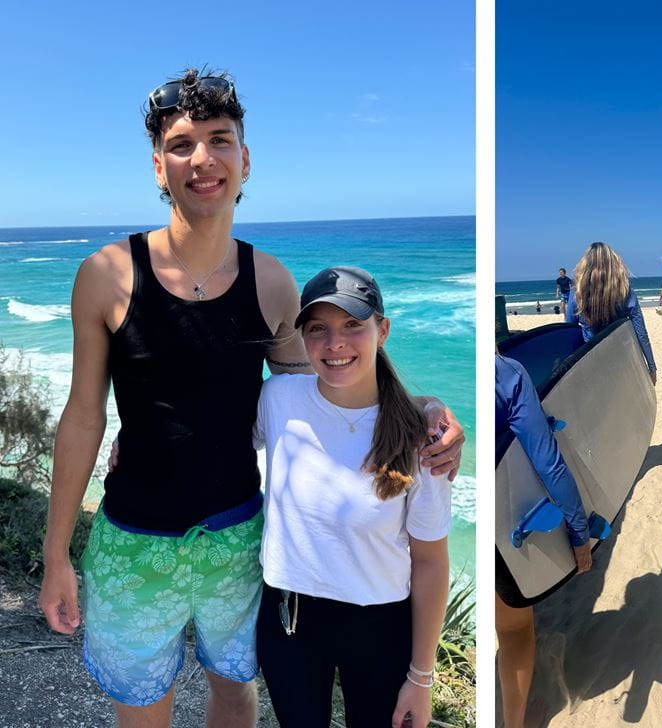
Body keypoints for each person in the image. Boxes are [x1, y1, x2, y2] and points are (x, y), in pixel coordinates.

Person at [38, 68, 463, 727]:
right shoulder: (105, 275)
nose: (202, 159)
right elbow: (83, 416)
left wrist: (422, 407)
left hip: (238, 543)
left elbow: (321, 390)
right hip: (132, 542)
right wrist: (55, 552)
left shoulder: (271, 282)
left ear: (245, 158)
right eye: (181, 144)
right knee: (141, 713)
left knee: (236, 696)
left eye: (220, 140)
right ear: (158, 166)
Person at [255, 267, 450, 727]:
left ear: (383, 330)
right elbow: (209, 437)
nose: (334, 343)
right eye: (317, 329)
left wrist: (421, 677)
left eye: (352, 325)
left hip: (380, 626)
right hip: (288, 619)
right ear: (302, 339)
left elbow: (430, 562)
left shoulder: (422, 437)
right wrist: (135, 439)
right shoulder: (277, 398)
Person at [495, 353, 592, 728]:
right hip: (497, 535)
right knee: (514, 630)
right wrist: (579, 533)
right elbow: (549, 464)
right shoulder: (507, 373)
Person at [565, 242, 657, 384]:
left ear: (585, 265)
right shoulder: (626, 292)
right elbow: (641, 334)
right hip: (621, 359)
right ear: (614, 264)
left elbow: (569, 330)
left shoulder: (577, 293)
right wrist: (651, 367)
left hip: (589, 359)